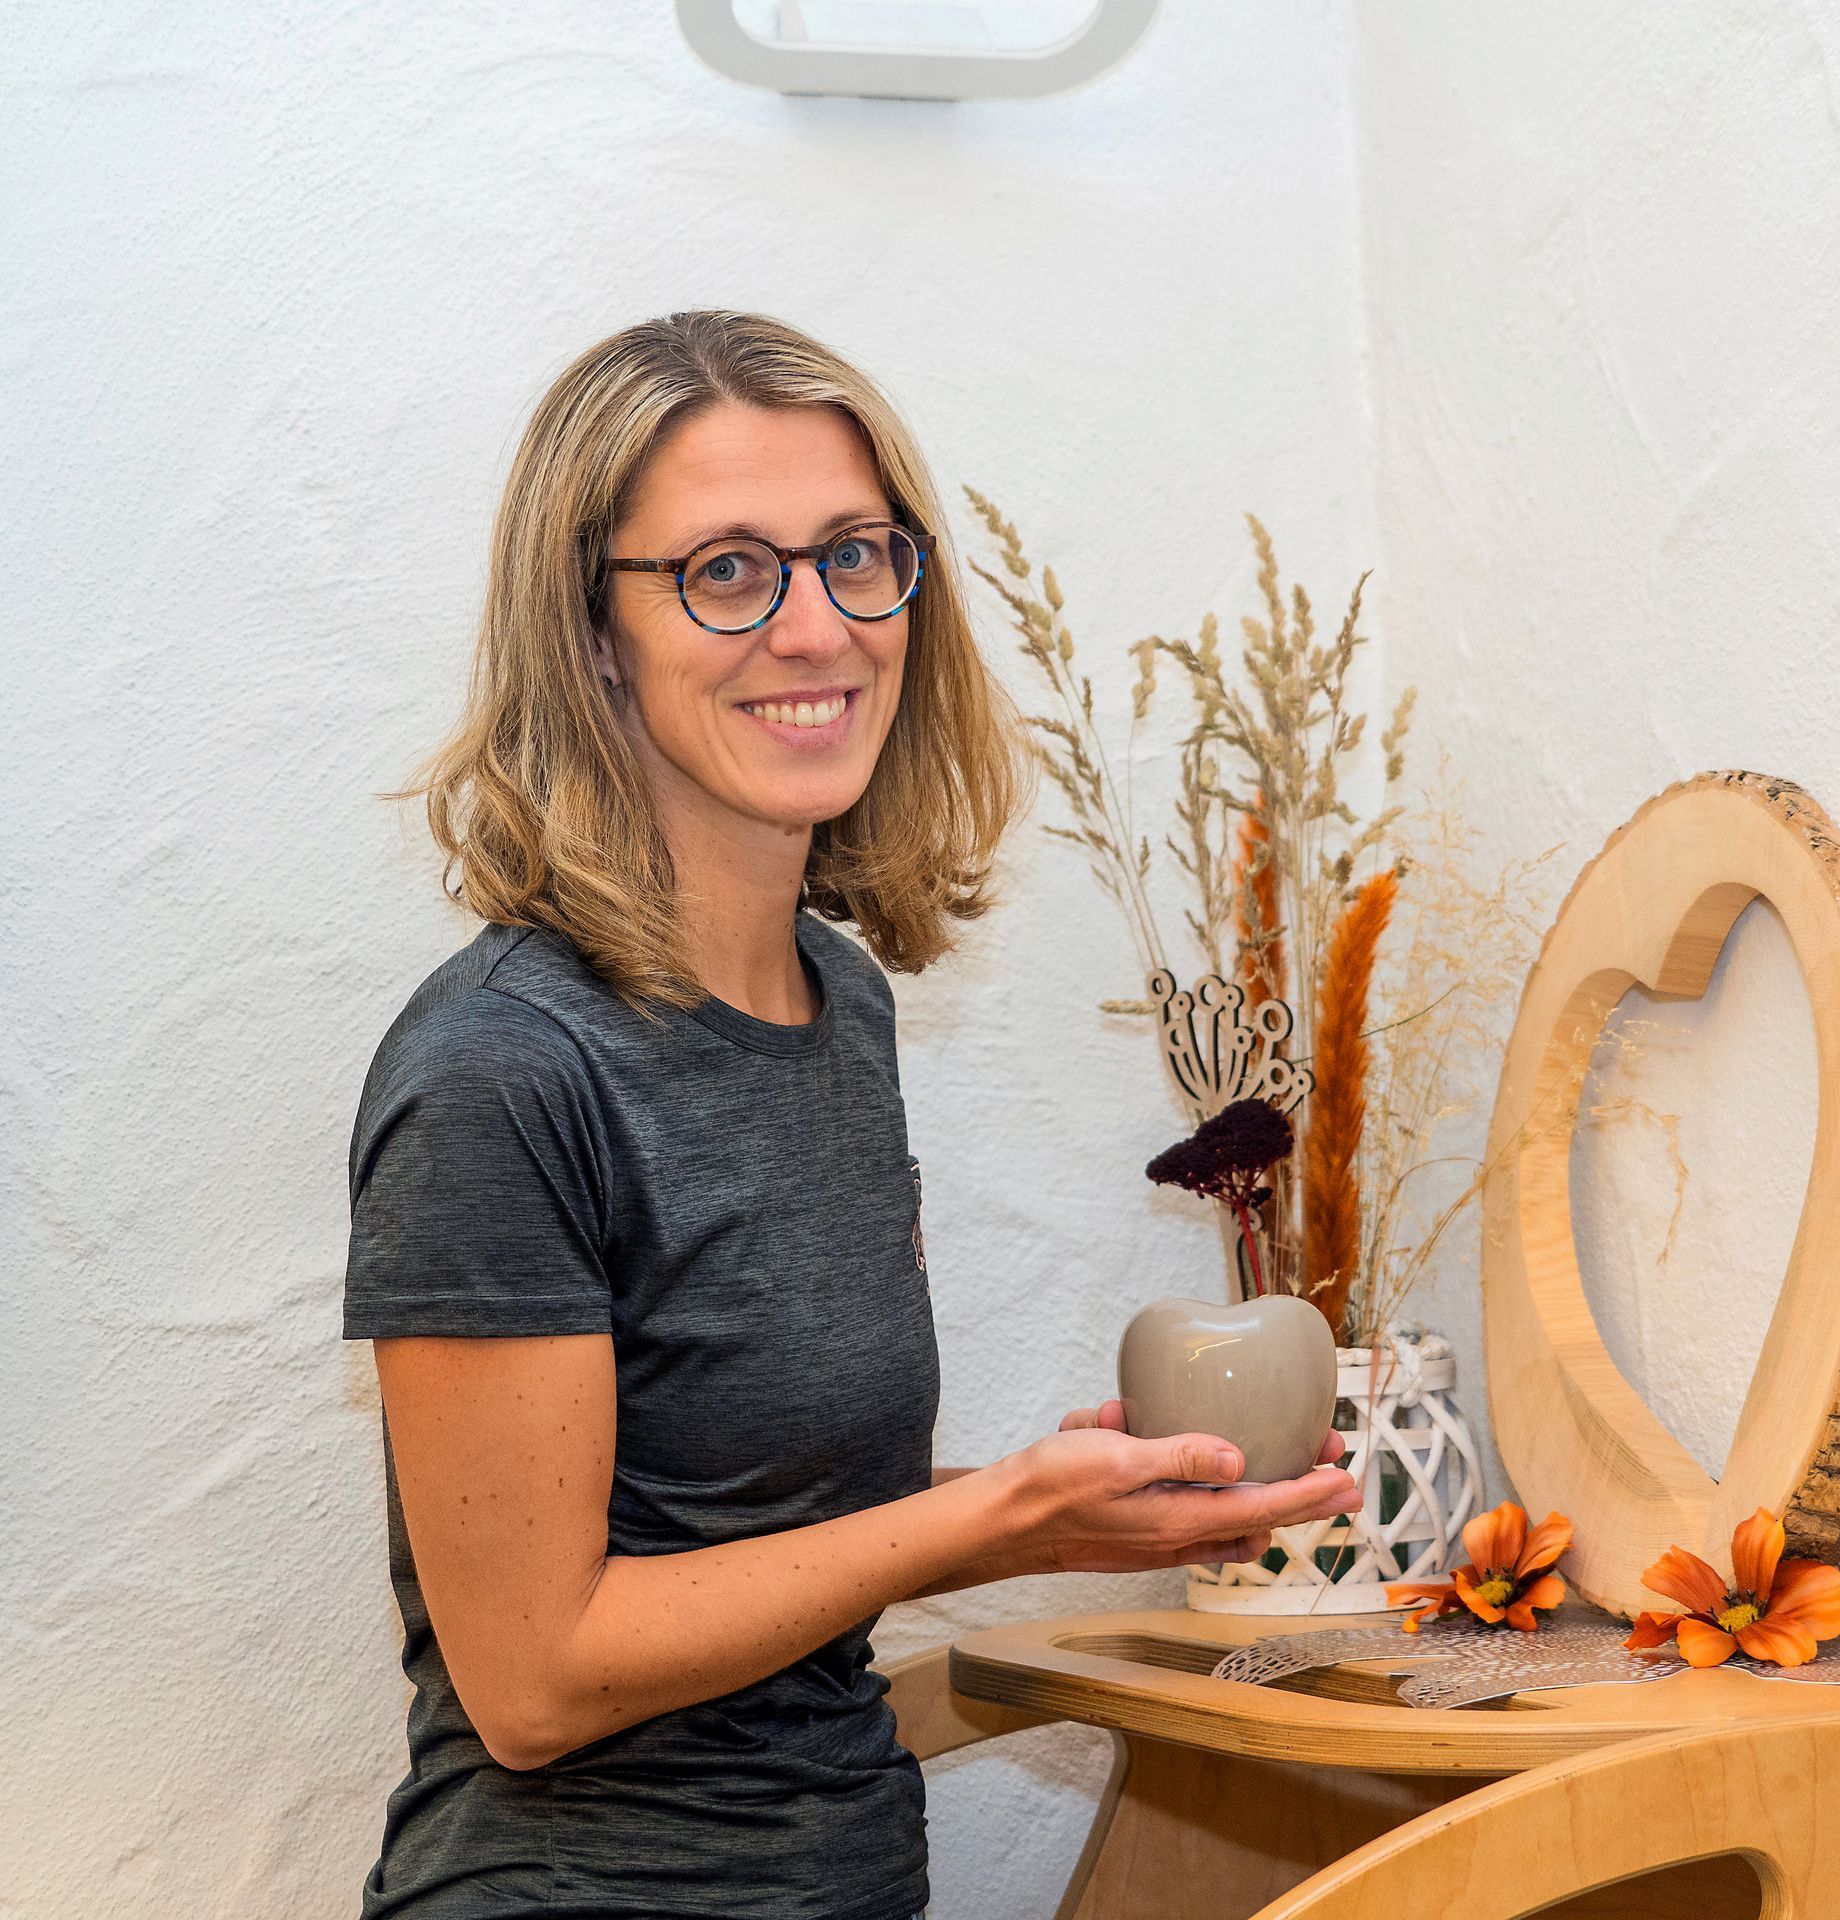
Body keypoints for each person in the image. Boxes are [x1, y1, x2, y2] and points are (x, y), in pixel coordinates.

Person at [341, 310, 1361, 1920]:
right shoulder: (501, 1068)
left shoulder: (840, 1000)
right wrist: (990, 1513)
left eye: (854, 556)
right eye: (727, 571)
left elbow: (781, 1542)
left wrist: (1051, 1513)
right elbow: (534, 1681)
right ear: (592, 631)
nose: (816, 627)